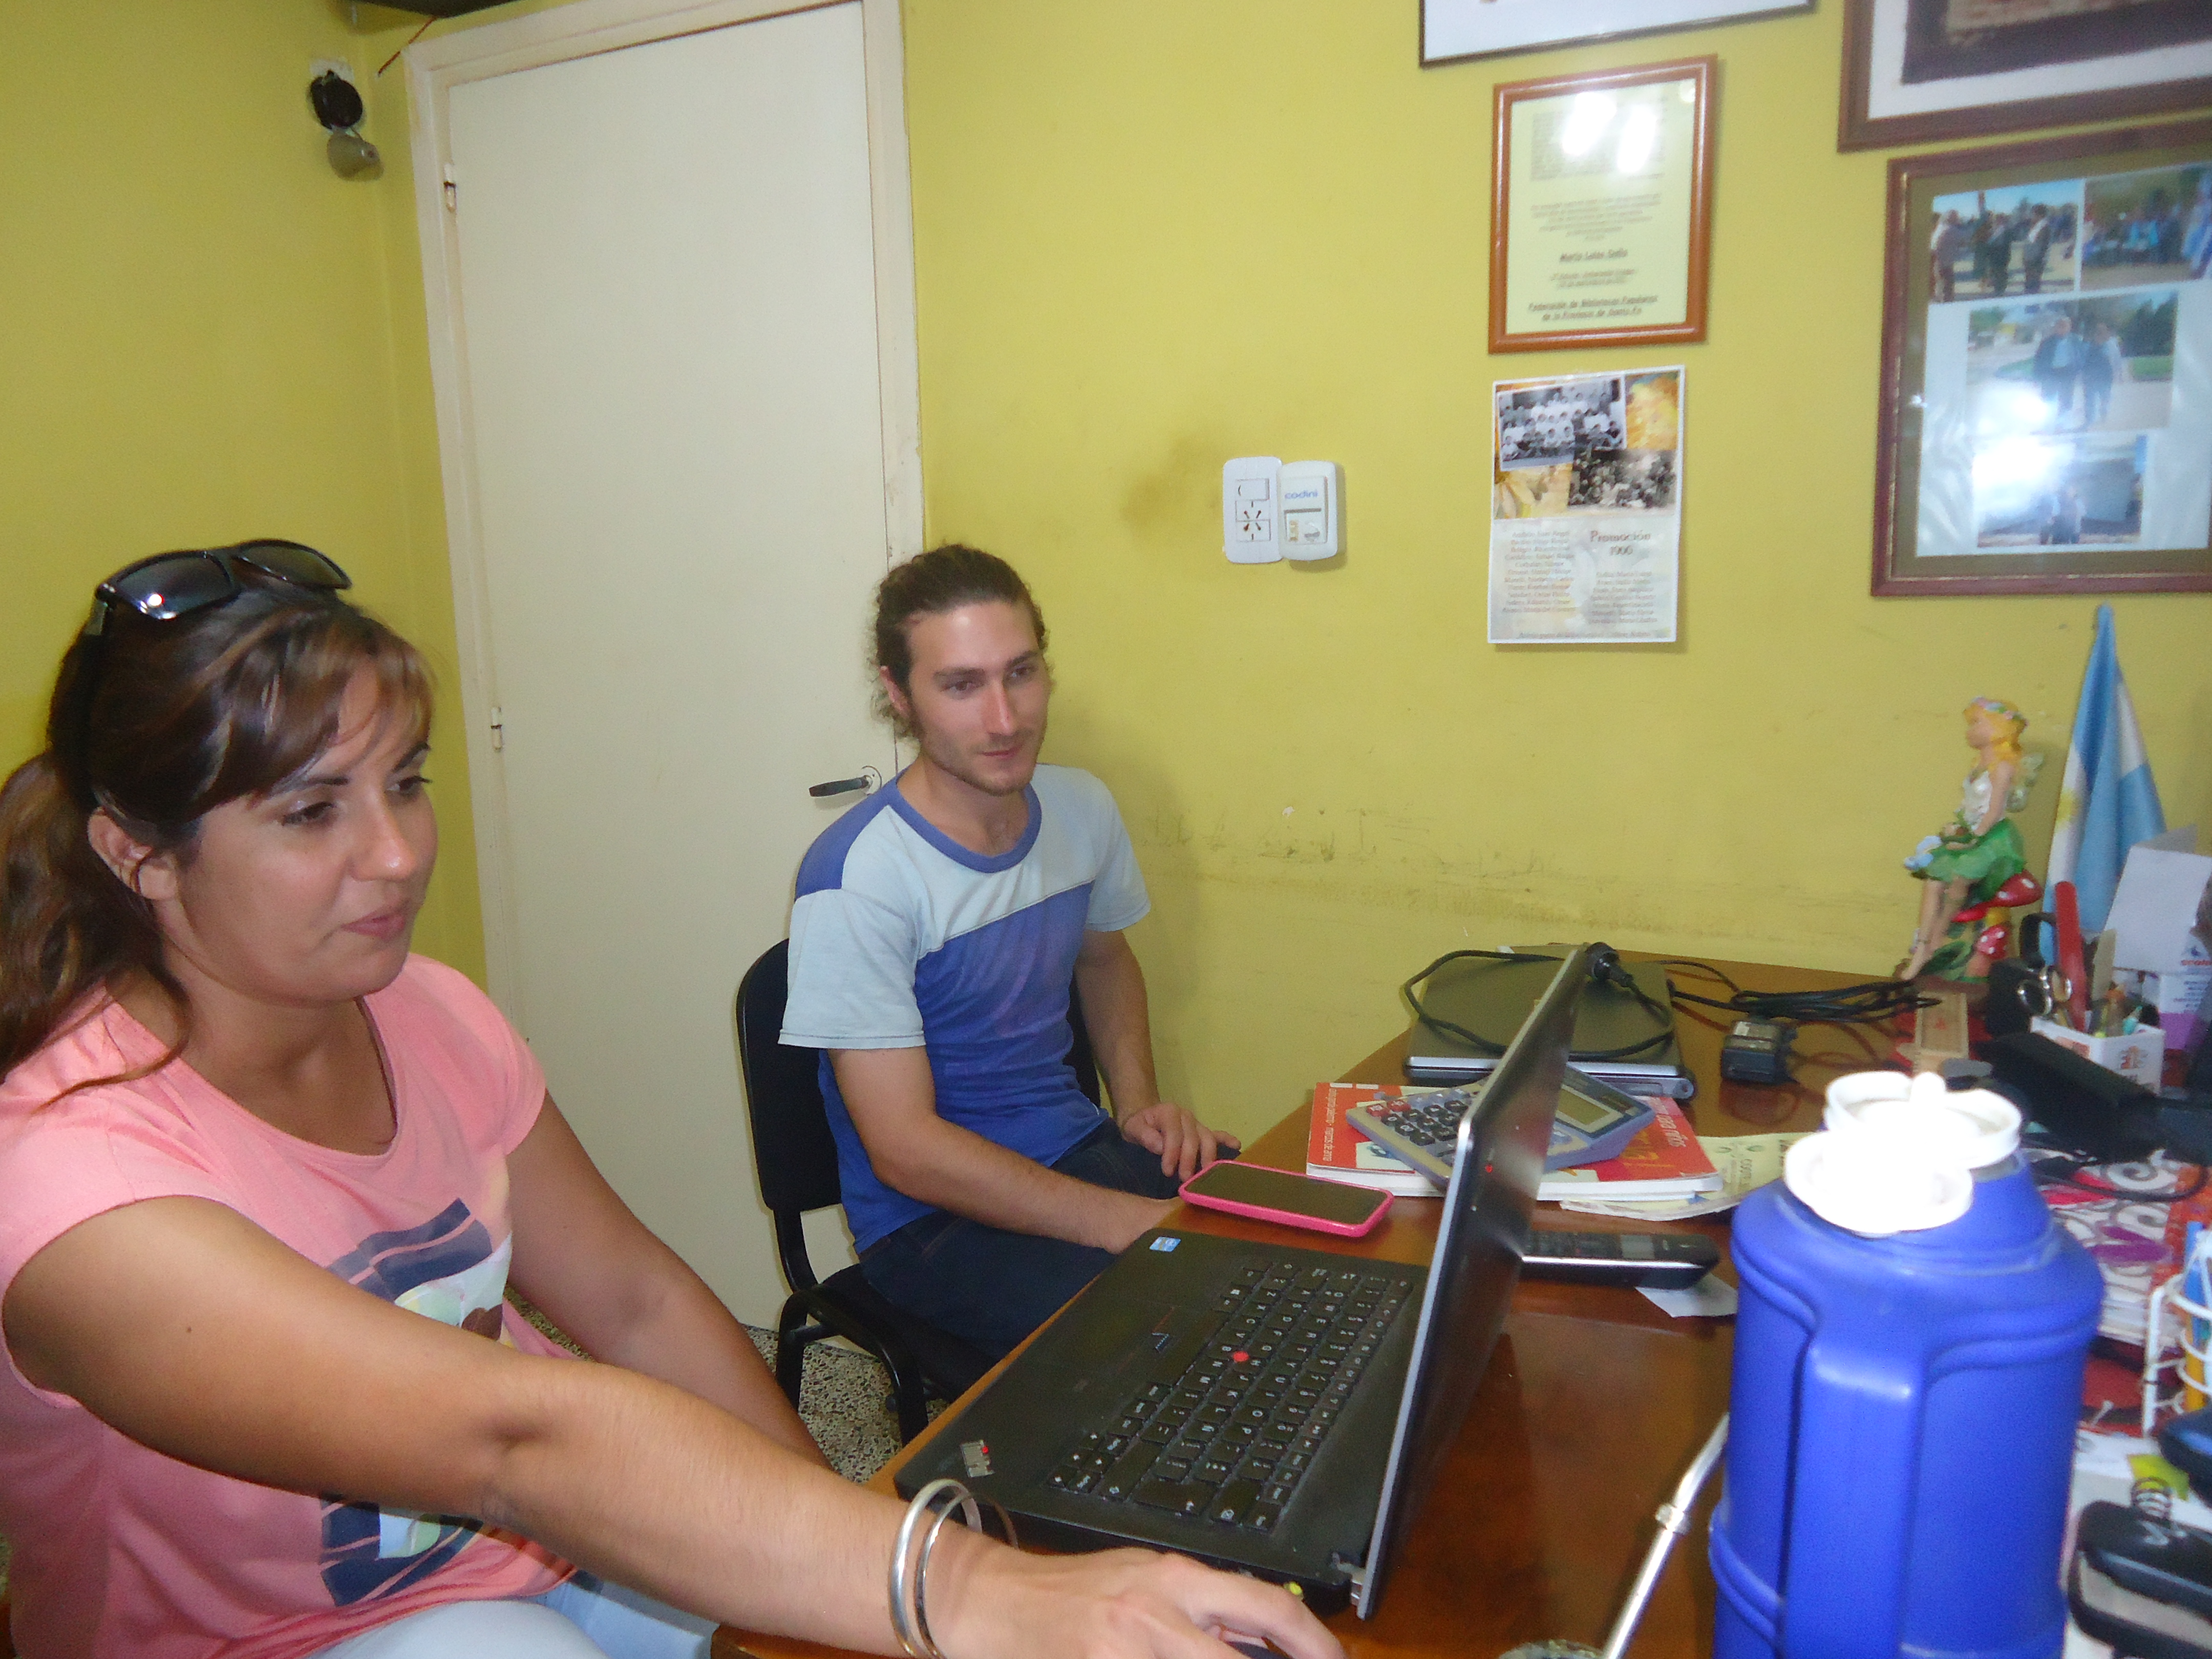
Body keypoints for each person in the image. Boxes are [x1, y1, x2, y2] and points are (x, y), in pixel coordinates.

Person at [0, 541, 1335, 1659]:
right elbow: (519, 1439)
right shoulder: (69, 1181)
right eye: (311, 814)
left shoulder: (429, 1012)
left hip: (526, 1553)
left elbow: (635, 1303)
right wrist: (971, 1591)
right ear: (140, 855)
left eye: (405, 783)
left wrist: (851, 1560)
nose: (399, 855)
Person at [781, 547, 1241, 1363]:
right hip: (930, 1224)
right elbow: (905, 1149)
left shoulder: (1081, 808)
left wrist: (1137, 1107)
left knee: (1289, 1241)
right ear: (899, 694)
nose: (1004, 719)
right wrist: (1124, 1222)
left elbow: (1105, 962)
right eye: (961, 686)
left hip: (1076, 1149)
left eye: (1020, 674)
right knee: (1165, 1335)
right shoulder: (858, 879)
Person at [1900, 697, 2037, 981]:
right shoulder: (1979, 765)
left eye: (1977, 724)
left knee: (1961, 878)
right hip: (1970, 831)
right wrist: (1957, 826)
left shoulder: (2002, 767)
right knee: (1933, 881)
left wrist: (1974, 838)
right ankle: (1923, 947)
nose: (1970, 730)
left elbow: (1994, 811)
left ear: (1997, 729)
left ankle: (1938, 937)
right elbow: (1970, 805)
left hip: (1991, 838)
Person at [2032, 313, 2082, 427]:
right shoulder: (2047, 342)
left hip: (2068, 372)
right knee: (2048, 398)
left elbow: (2081, 356)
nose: (2062, 329)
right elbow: (2039, 359)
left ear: (2069, 327)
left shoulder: (2076, 341)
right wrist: (2037, 376)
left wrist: (2079, 371)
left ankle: (2062, 424)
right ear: (2055, 328)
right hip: (2051, 373)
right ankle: (2047, 424)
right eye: (2060, 326)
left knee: (2066, 399)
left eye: (2065, 326)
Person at [2081, 320, 2122, 427]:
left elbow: (2117, 359)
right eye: (2098, 331)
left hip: (2106, 376)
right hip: (2091, 376)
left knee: (2105, 397)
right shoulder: (2087, 345)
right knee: (2090, 398)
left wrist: (2118, 373)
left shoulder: (2111, 345)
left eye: (2103, 331)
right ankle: (2090, 418)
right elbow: (2082, 360)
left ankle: (2104, 412)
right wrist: (2083, 374)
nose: (2101, 333)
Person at [1930, 209, 1969, 304]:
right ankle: (1946, 304)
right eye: (1956, 217)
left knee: (1941, 283)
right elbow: (1966, 238)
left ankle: (1940, 300)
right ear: (1952, 219)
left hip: (1937, 260)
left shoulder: (1940, 227)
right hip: (1945, 262)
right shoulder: (1952, 230)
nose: (1958, 219)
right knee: (1948, 285)